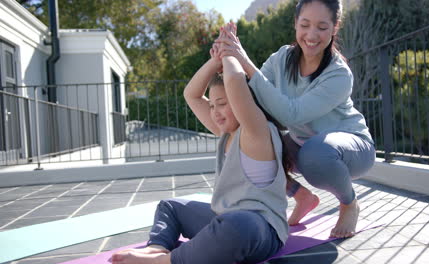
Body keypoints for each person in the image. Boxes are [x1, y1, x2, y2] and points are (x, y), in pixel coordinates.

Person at [110, 26, 291, 264]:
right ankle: (157, 248)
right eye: (212, 105)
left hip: (260, 230)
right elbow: (192, 95)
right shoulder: (226, 132)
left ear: (245, 101)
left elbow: (236, 81)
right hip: (225, 218)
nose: (214, 112)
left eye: (221, 104)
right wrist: (214, 61)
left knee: (237, 225)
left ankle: (162, 263)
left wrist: (229, 51)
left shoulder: (257, 131)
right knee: (171, 206)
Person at [215, 0, 375, 238]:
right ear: (296, 24)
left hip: (353, 149)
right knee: (263, 143)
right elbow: (252, 94)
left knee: (316, 152)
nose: (312, 35)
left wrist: (245, 62)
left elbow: (292, 113)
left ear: (334, 28)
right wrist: (225, 58)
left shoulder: (339, 74)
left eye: (322, 27)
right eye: (305, 25)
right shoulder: (282, 58)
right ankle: (302, 196)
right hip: (306, 144)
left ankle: (349, 203)